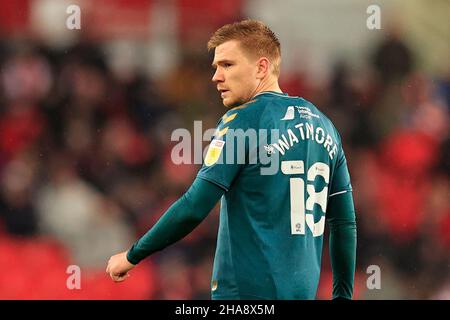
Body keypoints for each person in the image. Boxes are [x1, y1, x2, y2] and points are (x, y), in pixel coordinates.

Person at [106, 19, 357, 300]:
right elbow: (343, 223)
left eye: (227, 65)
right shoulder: (325, 126)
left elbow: (194, 206)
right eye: (215, 67)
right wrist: (343, 296)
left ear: (262, 67)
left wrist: (133, 254)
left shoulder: (243, 121)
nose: (216, 76)